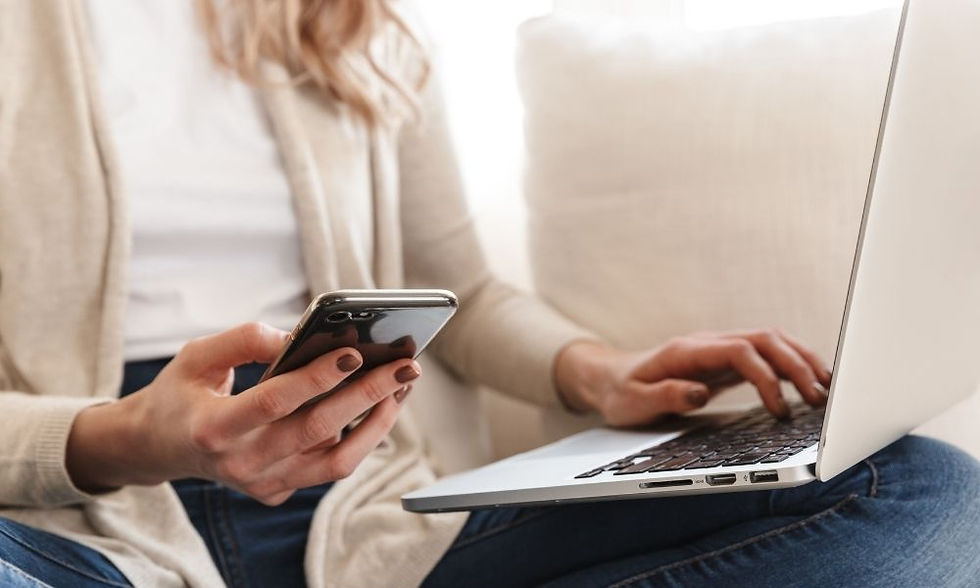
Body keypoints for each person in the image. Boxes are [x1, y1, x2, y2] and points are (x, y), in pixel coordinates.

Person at [1, 1, 978, 587]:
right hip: (79, 530)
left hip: (364, 523)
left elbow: (453, 289)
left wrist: (600, 374)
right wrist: (127, 438)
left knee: (920, 489)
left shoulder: (346, 19)